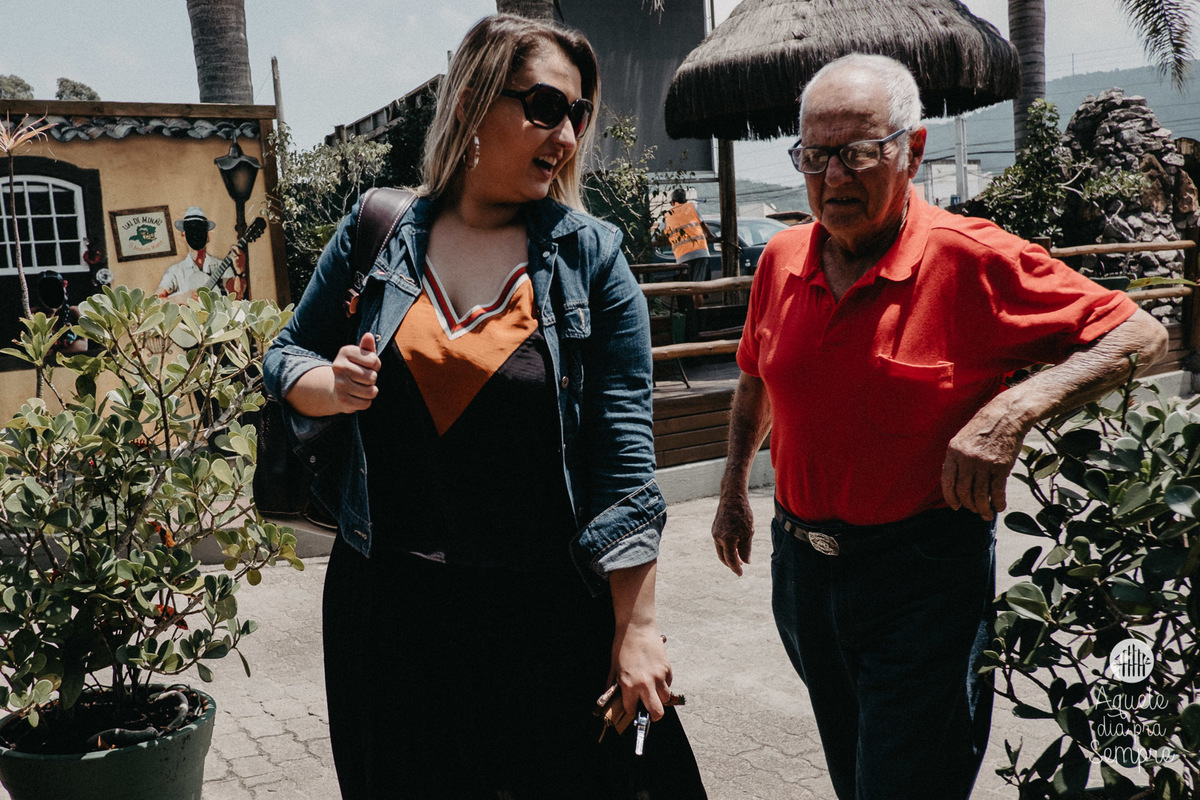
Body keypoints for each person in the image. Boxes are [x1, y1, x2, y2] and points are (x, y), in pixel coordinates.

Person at [263, 14, 706, 800]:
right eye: (543, 105)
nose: (566, 134)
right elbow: (284, 354)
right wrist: (328, 389)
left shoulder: (590, 258)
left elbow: (624, 457)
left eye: (577, 114)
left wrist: (635, 627)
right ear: (472, 99)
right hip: (389, 616)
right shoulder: (377, 230)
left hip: (546, 618)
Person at [710, 53, 1168, 800]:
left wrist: (1010, 411)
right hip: (803, 572)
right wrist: (733, 489)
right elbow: (755, 376)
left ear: (912, 151)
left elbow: (1139, 335)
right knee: (854, 766)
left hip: (920, 576)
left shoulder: (970, 259)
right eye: (814, 156)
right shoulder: (782, 258)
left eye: (858, 153)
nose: (832, 178)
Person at [156, 206, 245, 302]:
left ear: (207, 235)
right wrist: (181, 299)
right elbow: (154, 303)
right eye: (191, 230)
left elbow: (237, 298)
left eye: (200, 229)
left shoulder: (222, 266)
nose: (196, 234)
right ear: (184, 235)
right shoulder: (175, 271)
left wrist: (239, 272)